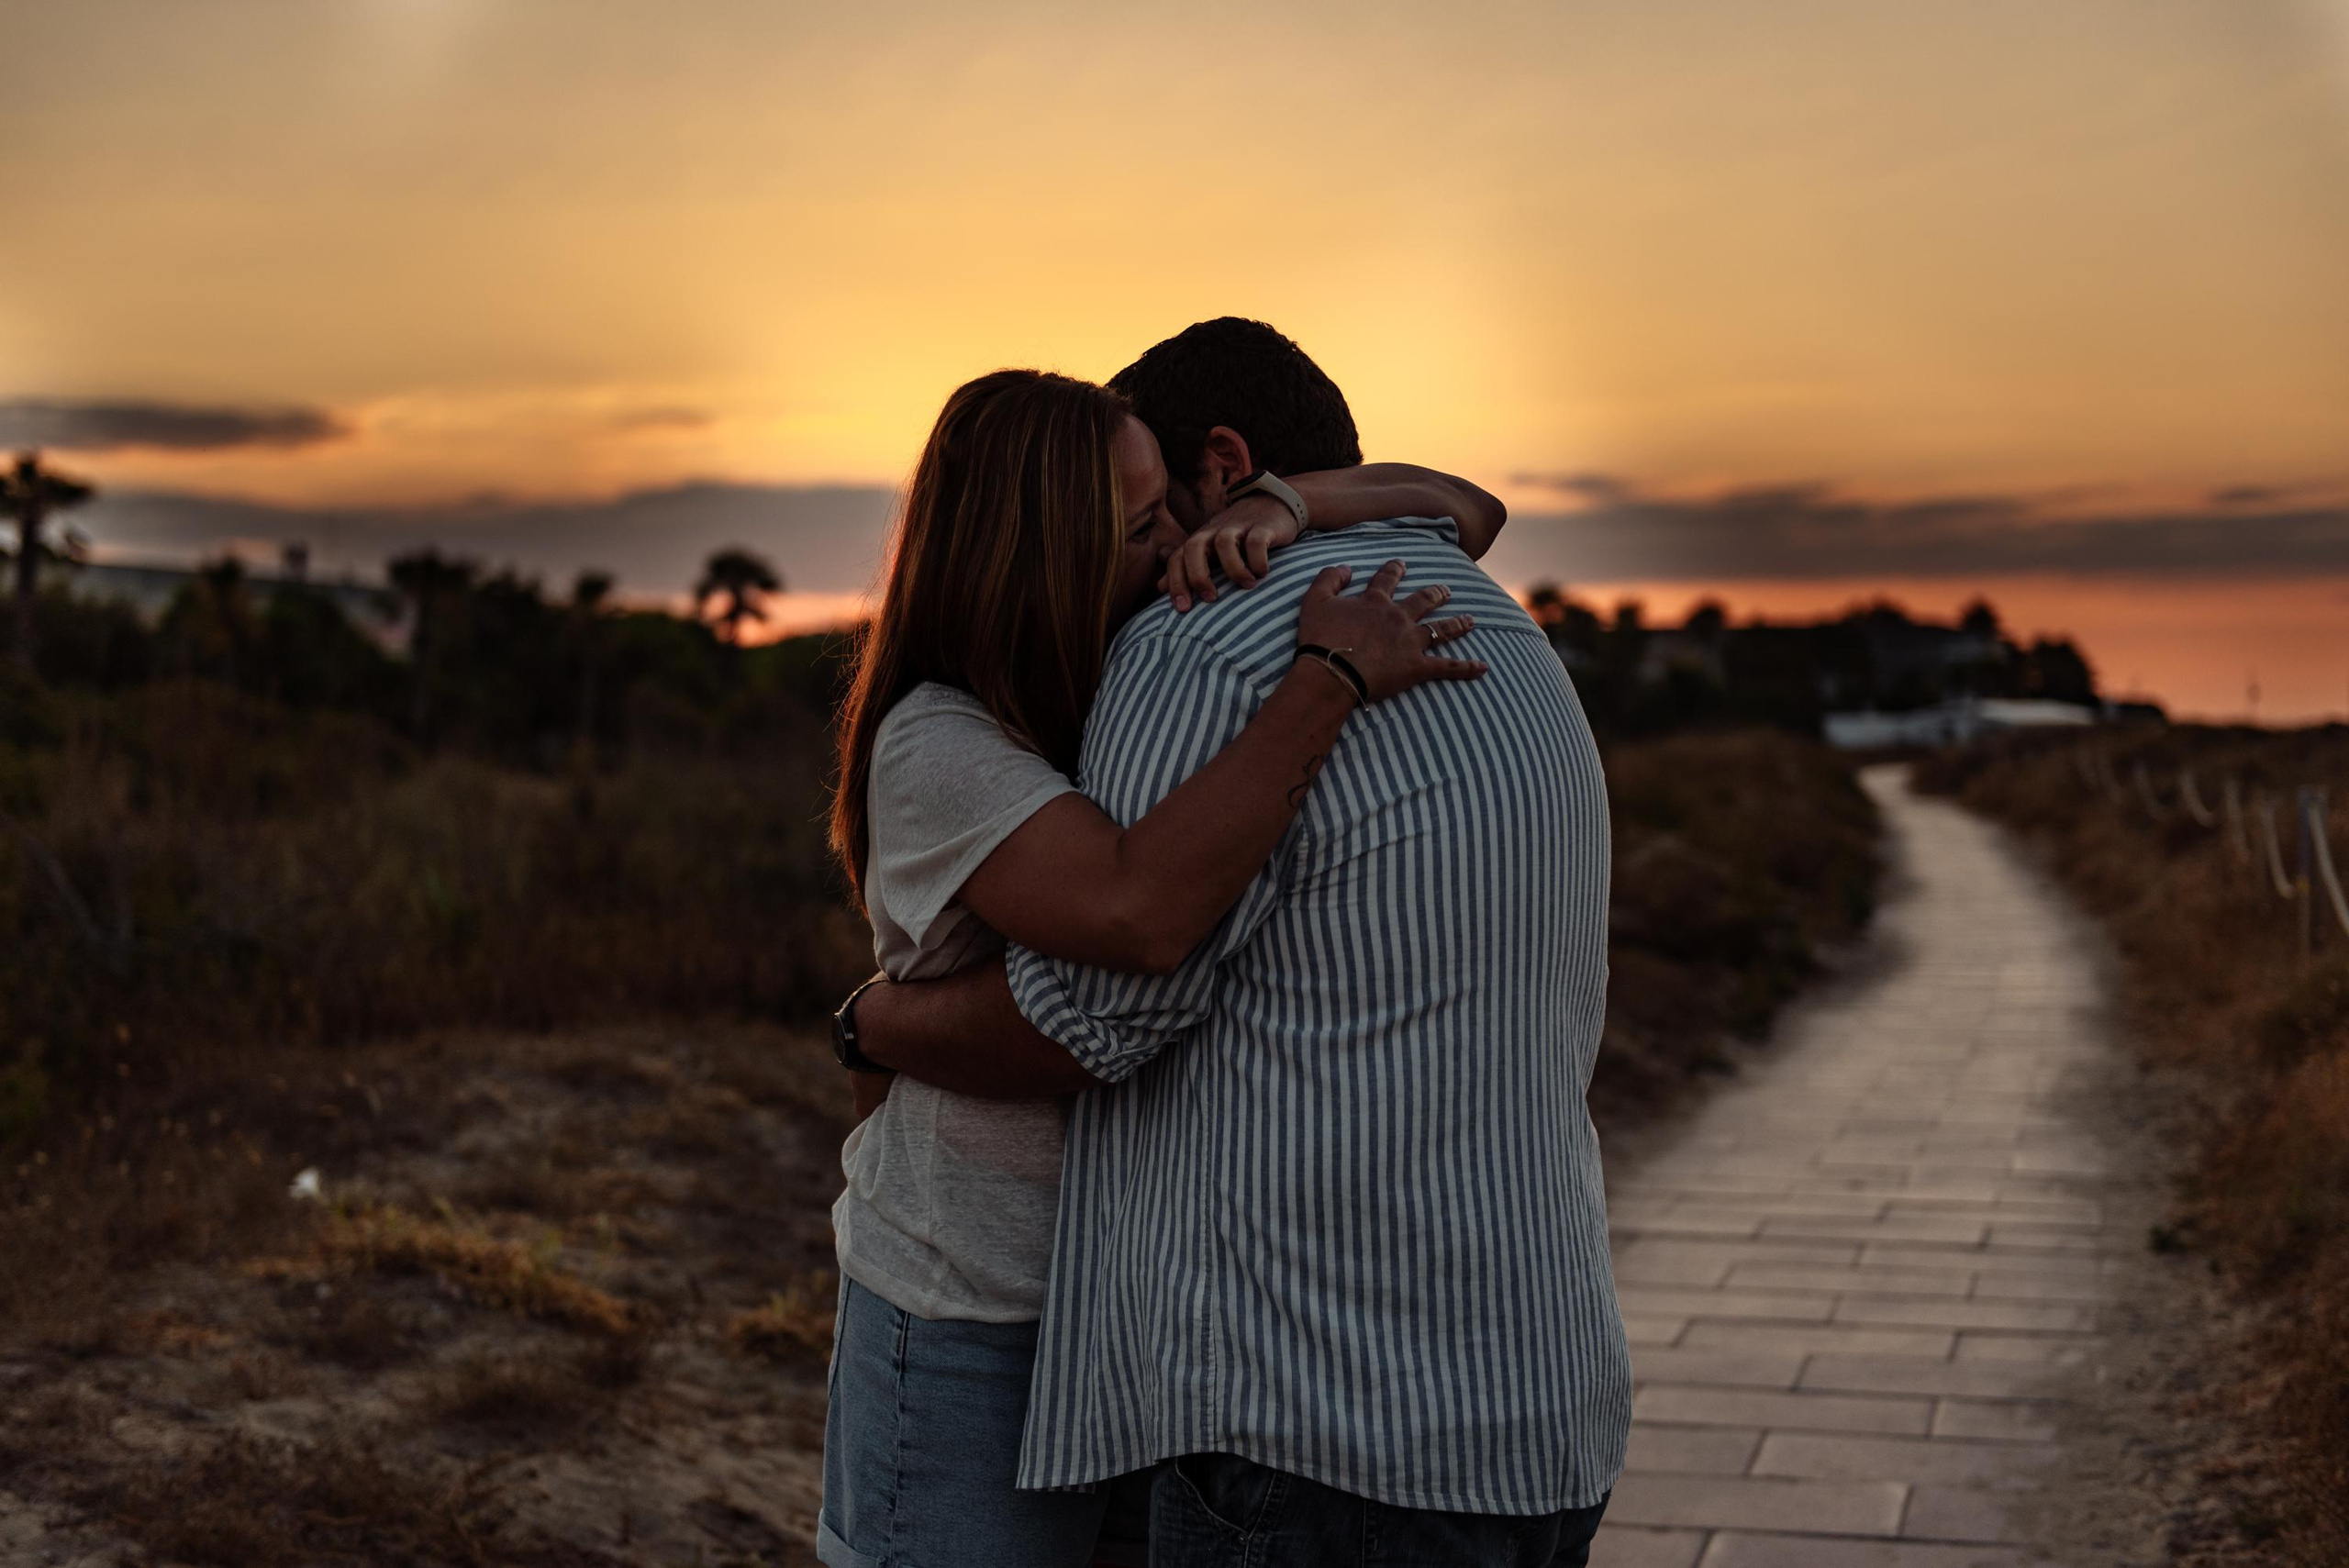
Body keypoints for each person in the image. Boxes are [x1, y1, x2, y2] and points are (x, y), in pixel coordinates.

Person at [845, 318, 1631, 1568]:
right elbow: (1125, 938)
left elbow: (1111, 977)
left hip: (1314, 1422)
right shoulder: (1493, 619)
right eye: (1131, 522)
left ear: (1224, 468)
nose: (1165, 553)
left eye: (1166, 509)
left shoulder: (1201, 640)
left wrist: (869, 1021)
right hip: (1522, 1399)